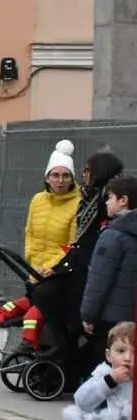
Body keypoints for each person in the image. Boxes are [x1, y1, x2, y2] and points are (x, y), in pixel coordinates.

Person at [34, 149, 124, 360]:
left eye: (87, 170)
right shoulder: (88, 198)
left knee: (60, 300)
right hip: (75, 264)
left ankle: (69, 349)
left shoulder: (107, 202)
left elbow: (89, 243)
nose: (84, 174)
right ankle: (62, 343)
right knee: (41, 291)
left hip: (90, 269)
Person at [80, 175, 137, 372]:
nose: (106, 202)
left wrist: (88, 314)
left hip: (110, 318)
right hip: (131, 314)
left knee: (107, 370)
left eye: (110, 197)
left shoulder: (113, 236)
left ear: (123, 200)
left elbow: (99, 281)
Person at [25, 140, 80, 275]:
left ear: (72, 179)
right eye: (55, 175)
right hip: (35, 270)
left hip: (57, 273)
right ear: (47, 178)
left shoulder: (78, 204)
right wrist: (32, 261)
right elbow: (29, 233)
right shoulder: (37, 200)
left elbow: (71, 244)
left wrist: (50, 267)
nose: (60, 181)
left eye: (66, 175)